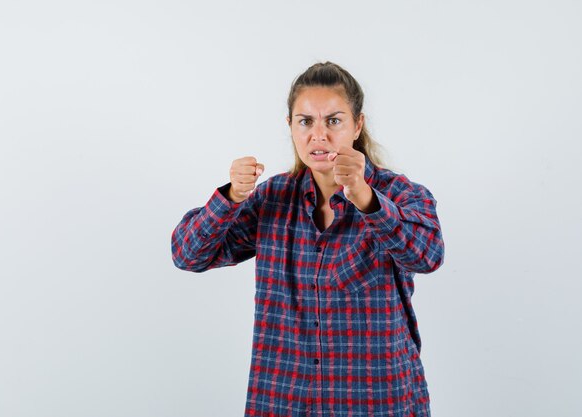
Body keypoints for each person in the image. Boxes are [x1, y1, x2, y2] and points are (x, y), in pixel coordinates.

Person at [171, 61, 445, 417]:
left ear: (357, 124)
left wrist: (365, 198)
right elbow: (187, 254)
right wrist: (232, 198)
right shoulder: (272, 197)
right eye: (306, 121)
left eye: (333, 120)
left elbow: (428, 256)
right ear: (290, 126)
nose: (319, 135)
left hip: (375, 400)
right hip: (284, 399)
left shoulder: (398, 193)